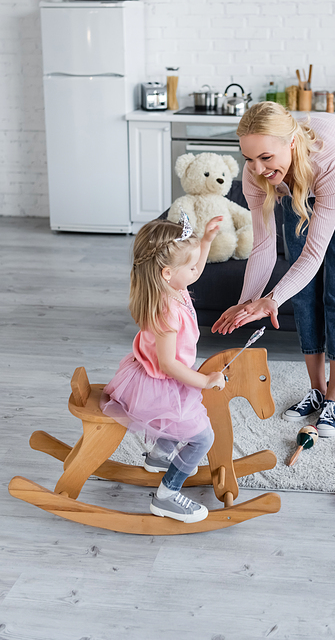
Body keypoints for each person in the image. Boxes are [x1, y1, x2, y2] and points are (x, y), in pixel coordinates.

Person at [212, 102, 335, 437]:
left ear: (290, 143)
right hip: (297, 179)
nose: (257, 168)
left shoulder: (329, 161)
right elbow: (263, 247)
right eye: (249, 158)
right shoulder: (257, 174)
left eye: (265, 157)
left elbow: (314, 254)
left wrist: (273, 300)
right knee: (301, 291)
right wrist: (248, 301)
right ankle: (316, 390)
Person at [101, 213, 224, 523]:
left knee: (177, 421)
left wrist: (206, 240)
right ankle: (167, 495)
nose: (197, 271)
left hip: (158, 374)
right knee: (202, 438)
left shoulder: (172, 288)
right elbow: (169, 365)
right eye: (192, 266)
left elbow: (191, 272)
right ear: (168, 272)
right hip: (159, 381)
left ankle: (158, 456)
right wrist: (204, 380)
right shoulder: (167, 312)